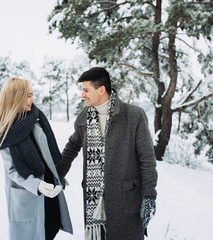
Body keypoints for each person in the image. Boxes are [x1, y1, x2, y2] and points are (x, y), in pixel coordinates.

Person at [56, 67, 157, 240]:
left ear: (101, 90)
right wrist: (57, 174)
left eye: (86, 90)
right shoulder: (83, 117)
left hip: (126, 202)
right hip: (94, 207)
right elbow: (72, 146)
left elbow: (147, 159)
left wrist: (149, 195)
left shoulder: (134, 116)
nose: (82, 95)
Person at [0, 77, 72, 240]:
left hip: (50, 190)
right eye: (28, 95)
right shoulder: (4, 132)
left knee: (52, 228)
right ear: (15, 98)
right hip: (30, 194)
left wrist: (57, 174)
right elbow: (12, 170)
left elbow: (47, 155)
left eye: (32, 95)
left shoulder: (36, 118)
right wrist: (37, 185)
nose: (33, 99)